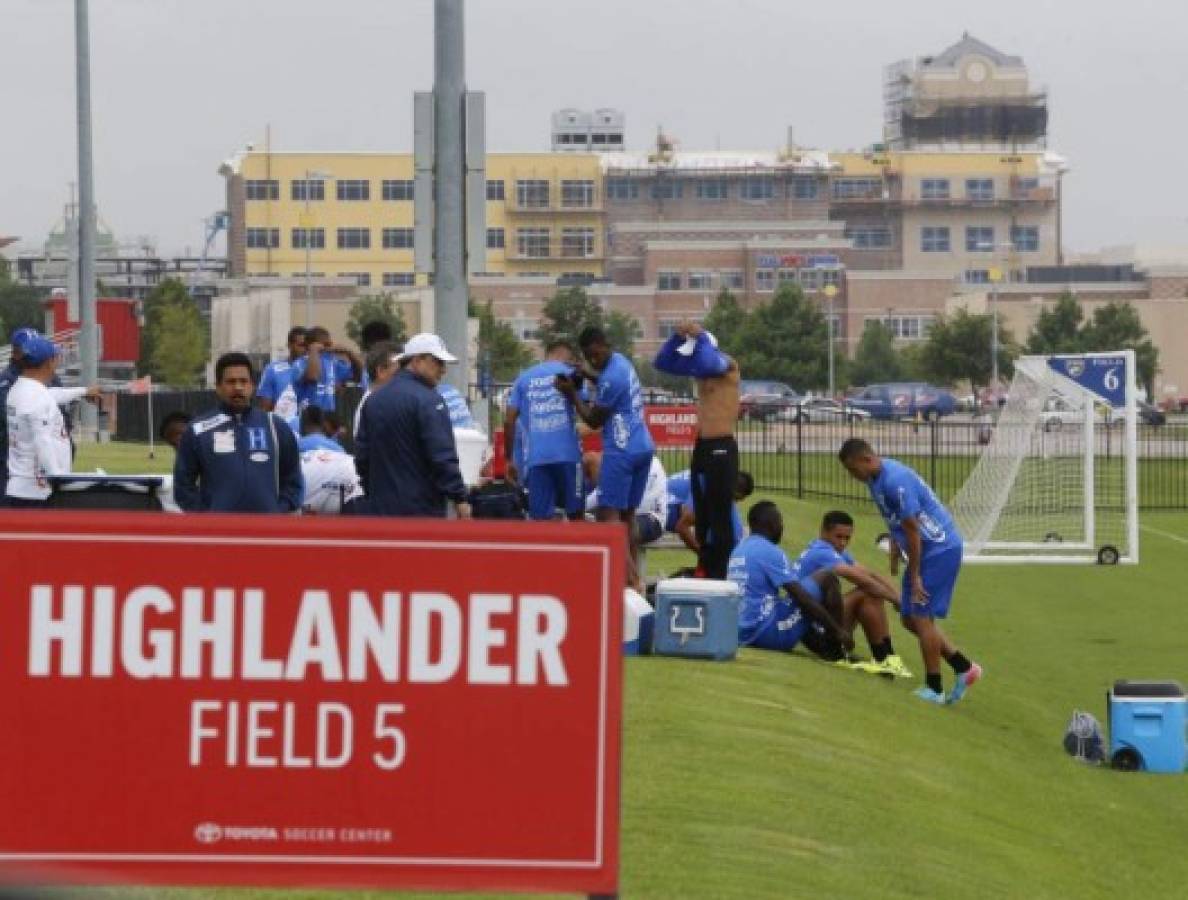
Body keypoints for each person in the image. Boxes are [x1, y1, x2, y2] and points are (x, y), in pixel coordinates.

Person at [838, 438, 982, 705]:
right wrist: (895, 545)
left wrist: (914, 575)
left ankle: (934, 688)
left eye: (852, 469)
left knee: (921, 617)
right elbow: (896, 521)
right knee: (908, 618)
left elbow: (913, 530)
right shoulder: (875, 480)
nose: (852, 476)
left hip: (939, 549)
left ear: (866, 460)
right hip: (927, 551)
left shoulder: (895, 480)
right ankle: (963, 666)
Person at [556, 326, 655, 588]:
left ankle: (632, 582)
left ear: (602, 344)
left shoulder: (611, 379)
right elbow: (605, 378)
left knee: (607, 517)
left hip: (621, 450)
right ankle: (634, 578)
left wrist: (571, 394)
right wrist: (587, 373)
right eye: (588, 357)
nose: (593, 360)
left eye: (594, 355)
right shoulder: (621, 362)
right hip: (643, 446)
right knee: (628, 516)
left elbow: (592, 419)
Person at [654, 321, 741, 578]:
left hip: (722, 446)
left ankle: (721, 572)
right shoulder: (702, 367)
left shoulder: (728, 366)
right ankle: (706, 566)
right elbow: (661, 363)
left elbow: (706, 363)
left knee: (719, 514)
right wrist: (676, 339)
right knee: (702, 517)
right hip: (703, 446)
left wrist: (700, 335)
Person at [355, 333, 471, 519]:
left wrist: (373, 492)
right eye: (438, 362)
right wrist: (460, 498)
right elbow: (441, 456)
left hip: (380, 508)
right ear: (417, 360)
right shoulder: (429, 400)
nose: (443, 370)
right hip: (422, 509)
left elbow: (362, 457)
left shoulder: (373, 400)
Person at [174, 352, 304, 514]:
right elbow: (183, 487)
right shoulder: (198, 430)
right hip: (220, 533)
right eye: (230, 382)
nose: (238, 387)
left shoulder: (275, 427)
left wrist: (278, 511)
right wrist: (206, 517)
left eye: (243, 381)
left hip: (267, 531)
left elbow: (294, 481)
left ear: (252, 386)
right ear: (218, 387)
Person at [790, 510, 911, 678]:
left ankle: (888, 657)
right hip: (814, 630)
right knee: (867, 593)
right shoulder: (821, 552)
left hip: (821, 622)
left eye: (847, 538)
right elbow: (863, 581)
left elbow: (871, 574)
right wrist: (896, 600)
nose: (843, 543)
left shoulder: (832, 550)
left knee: (871, 592)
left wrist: (899, 597)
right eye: (838, 537)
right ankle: (883, 657)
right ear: (823, 532)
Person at [727, 500, 854, 655]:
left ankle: (825, 647)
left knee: (793, 603)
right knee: (827, 578)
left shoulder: (739, 549)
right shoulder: (770, 551)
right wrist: (838, 631)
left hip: (740, 631)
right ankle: (835, 650)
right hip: (764, 632)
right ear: (771, 524)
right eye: (780, 521)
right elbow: (800, 596)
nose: (782, 526)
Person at [4, 337, 101, 508]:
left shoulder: (20, 389)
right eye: (57, 358)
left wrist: (83, 391)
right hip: (38, 492)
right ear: (49, 362)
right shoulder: (36, 398)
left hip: (22, 486)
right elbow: (43, 441)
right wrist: (58, 481)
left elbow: (50, 395)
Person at [504, 340, 583, 521]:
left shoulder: (523, 378)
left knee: (541, 521)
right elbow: (585, 410)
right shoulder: (571, 374)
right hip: (569, 457)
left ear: (547, 355)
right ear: (568, 356)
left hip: (536, 458)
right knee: (576, 516)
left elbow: (509, 421)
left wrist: (509, 459)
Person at [584, 451, 668, 546]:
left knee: (617, 531)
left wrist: (578, 509)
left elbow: (603, 495)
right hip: (638, 516)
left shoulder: (634, 463)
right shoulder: (638, 458)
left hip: (651, 519)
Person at [668, 469, 753, 554]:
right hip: (665, 506)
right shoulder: (708, 485)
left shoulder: (715, 478)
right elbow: (682, 526)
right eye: (736, 498)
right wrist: (704, 556)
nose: (735, 502)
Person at [297, 406, 362, 514]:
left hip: (306, 495)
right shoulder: (339, 449)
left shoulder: (296, 445)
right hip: (338, 490)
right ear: (323, 424)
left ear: (302, 425)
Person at [291, 326, 362, 413]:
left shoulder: (332, 362)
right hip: (308, 416)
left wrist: (349, 352)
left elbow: (357, 377)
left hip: (328, 417)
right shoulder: (299, 364)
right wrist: (314, 351)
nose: (330, 347)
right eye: (326, 344)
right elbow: (313, 376)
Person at [256, 326, 307, 426]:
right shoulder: (273, 369)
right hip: (282, 428)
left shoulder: (314, 370)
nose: (304, 350)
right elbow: (265, 407)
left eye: (307, 346)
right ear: (289, 345)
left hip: (308, 429)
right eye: (301, 345)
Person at [353, 341, 401, 437]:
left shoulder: (380, 403)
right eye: (400, 371)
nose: (405, 376)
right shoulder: (374, 408)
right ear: (381, 371)